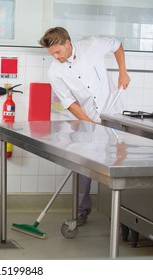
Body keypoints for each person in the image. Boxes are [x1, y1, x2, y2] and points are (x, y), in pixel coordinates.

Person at [38, 27, 130, 226]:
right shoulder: (54, 71)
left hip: (113, 111)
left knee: (119, 160)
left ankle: (124, 213)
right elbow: (69, 102)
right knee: (83, 165)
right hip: (87, 117)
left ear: (68, 43)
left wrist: (123, 72)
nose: (56, 57)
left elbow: (117, 45)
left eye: (58, 52)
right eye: (52, 54)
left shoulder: (93, 44)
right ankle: (81, 210)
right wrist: (89, 123)